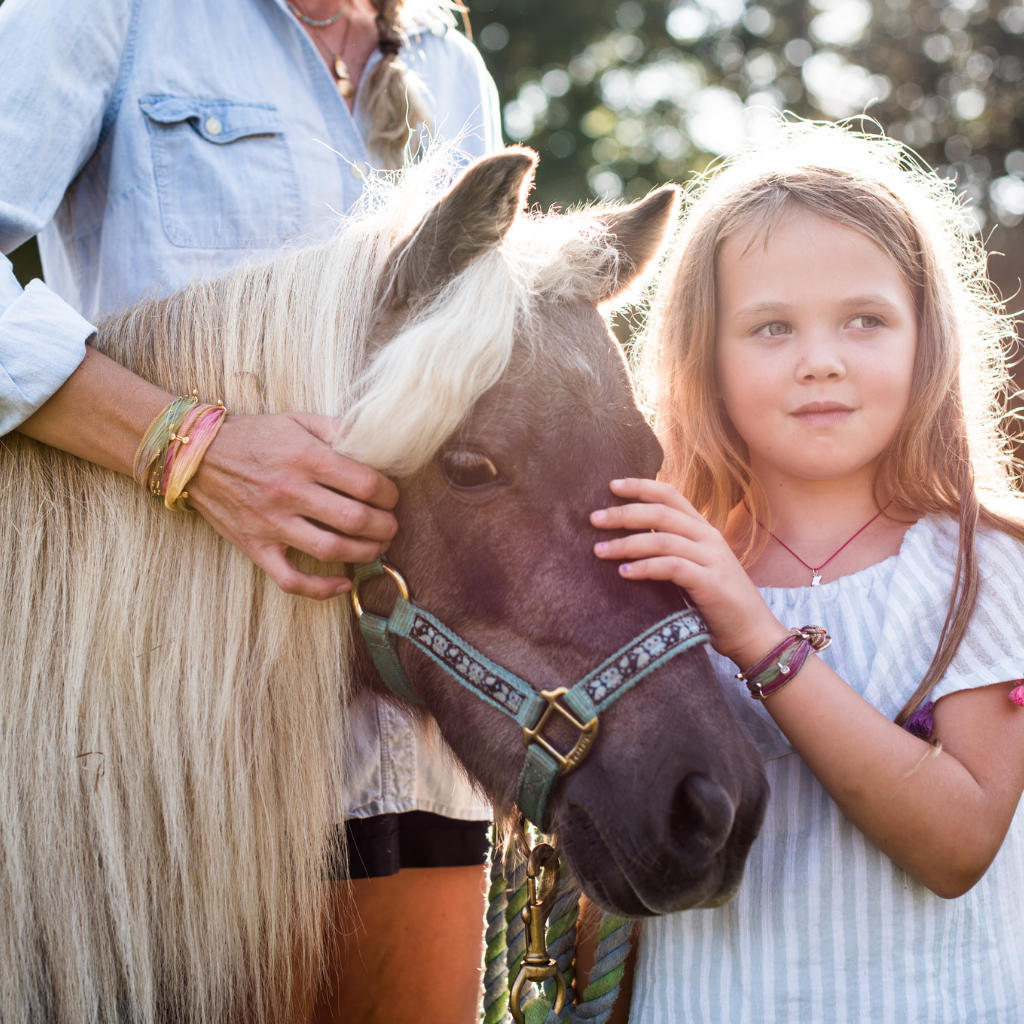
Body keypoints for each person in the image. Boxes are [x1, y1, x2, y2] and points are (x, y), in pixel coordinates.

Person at [0, 0, 499, 1019]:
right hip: (178, 724)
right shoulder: (106, 15)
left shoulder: (450, 69)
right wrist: (194, 445)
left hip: (416, 724)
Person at [589, 122, 1024, 1022]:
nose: (819, 359)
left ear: (925, 341)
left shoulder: (985, 567)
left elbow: (958, 843)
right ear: (705, 357)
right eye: (772, 327)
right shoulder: (656, 568)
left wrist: (754, 635)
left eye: (865, 320)